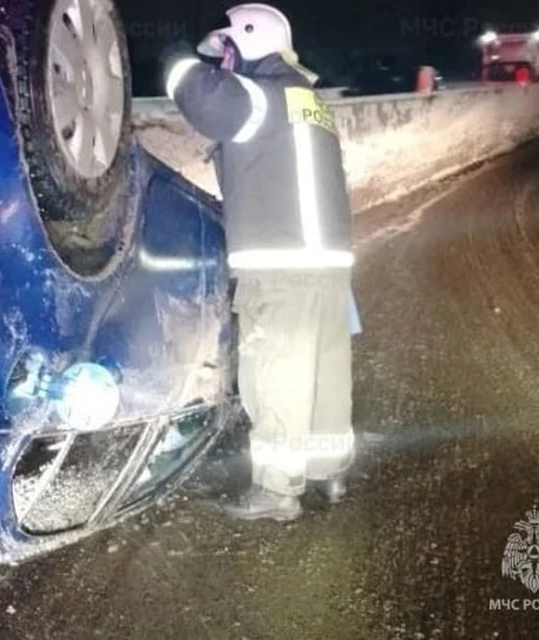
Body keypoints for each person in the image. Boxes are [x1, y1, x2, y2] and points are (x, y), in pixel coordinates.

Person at [165, 3, 356, 521]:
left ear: (251, 41)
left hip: (280, 266)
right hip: (328, 263)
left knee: (275, 373)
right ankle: (329, 472)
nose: (223, 61)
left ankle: (276, 491)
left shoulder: (259, 98)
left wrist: (177, 60)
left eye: (227, 49)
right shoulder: (310, 101)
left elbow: (203, 97)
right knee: (325, 372)